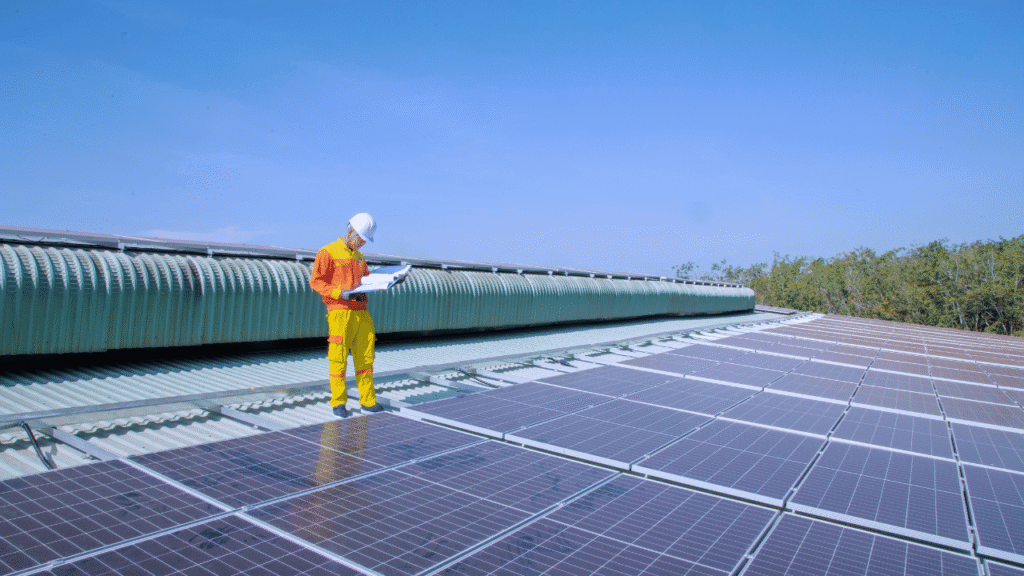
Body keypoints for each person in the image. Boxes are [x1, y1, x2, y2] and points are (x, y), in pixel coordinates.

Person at [310, 212, 383, 418]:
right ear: (351, 231)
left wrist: (383, 283)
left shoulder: (359, 258)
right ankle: (339, 403)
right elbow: (316, 281)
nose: (362, 244)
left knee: (365, 358)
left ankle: (368, 401)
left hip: (361, 312)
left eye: (365, 241)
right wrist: (337, 292)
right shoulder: (328, 252)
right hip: (340, 312)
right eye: (360, 239)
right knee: (339, 358)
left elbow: (365, 280)